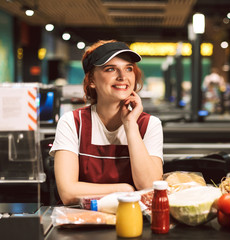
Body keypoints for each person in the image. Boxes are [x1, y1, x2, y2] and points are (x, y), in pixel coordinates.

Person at [49, 40, 164, 205]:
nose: (122, 77)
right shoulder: (73, 122)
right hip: (82, 223)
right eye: (110, 69)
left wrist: (131, 125)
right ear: (91, 80)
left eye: (128, 69)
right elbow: (68, 193)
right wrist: (125, 190)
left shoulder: (149, 125)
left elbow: (149, 187)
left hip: (135, 222)